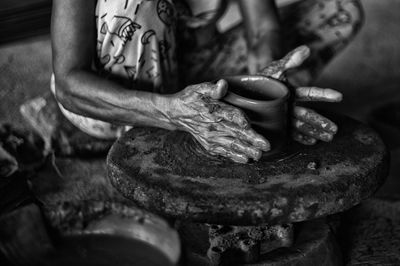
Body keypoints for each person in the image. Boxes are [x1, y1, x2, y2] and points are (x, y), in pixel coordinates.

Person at [51, 0, 363, 163]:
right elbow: (69, 83)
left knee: (338, 11)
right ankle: (152, 147)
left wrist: (265, 84)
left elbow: (262, 30)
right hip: (108, 99)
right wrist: (170, 112)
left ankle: (204, 112)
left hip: (191, 69)